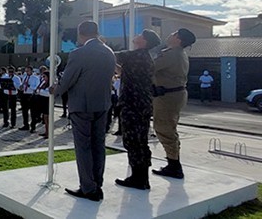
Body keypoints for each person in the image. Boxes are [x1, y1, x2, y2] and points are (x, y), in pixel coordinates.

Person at [54, 21, 116, 202]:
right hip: (102, 105)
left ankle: (88, 188)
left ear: (81, 34)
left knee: (83, 148)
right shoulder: (109, 51)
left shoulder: (79, 53)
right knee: (98, 146)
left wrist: (55, 89)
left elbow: (67, 80)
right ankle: (97, 184)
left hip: (82, 106)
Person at [114, 29, 160, 190]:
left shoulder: (137, 55)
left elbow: (112, 55)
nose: (137, 36)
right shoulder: (143, 58)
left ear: (144, 41)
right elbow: (124, 72)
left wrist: (100, 45)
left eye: (141, 35)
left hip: (133, 104)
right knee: (140, 141)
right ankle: (141, 177)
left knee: (133, 141)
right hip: (141, 104)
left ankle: (138, 178)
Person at [152, 28, 196, 180]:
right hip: (173, 94)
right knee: (168, 128)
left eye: (174, 33)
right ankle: (173, 163)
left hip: (167, 96)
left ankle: (174, 165)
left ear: (178, 39)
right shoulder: (176, 53)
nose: (170, 34)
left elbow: (150, 68)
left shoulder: (172, 54)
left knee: (164, 128)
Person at [18, 65, 39, 131]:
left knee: (33, 112)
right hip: (24, 95)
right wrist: (21, 87)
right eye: (26, 71)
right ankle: (25, 125)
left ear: (31, 71)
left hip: (31, 95)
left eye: (28, 71)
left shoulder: (35, 78)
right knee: (24, 111)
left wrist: (29, 85)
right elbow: (23, 85)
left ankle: (33, 127)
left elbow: (36, 87)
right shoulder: (25, 77)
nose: (27, 72)